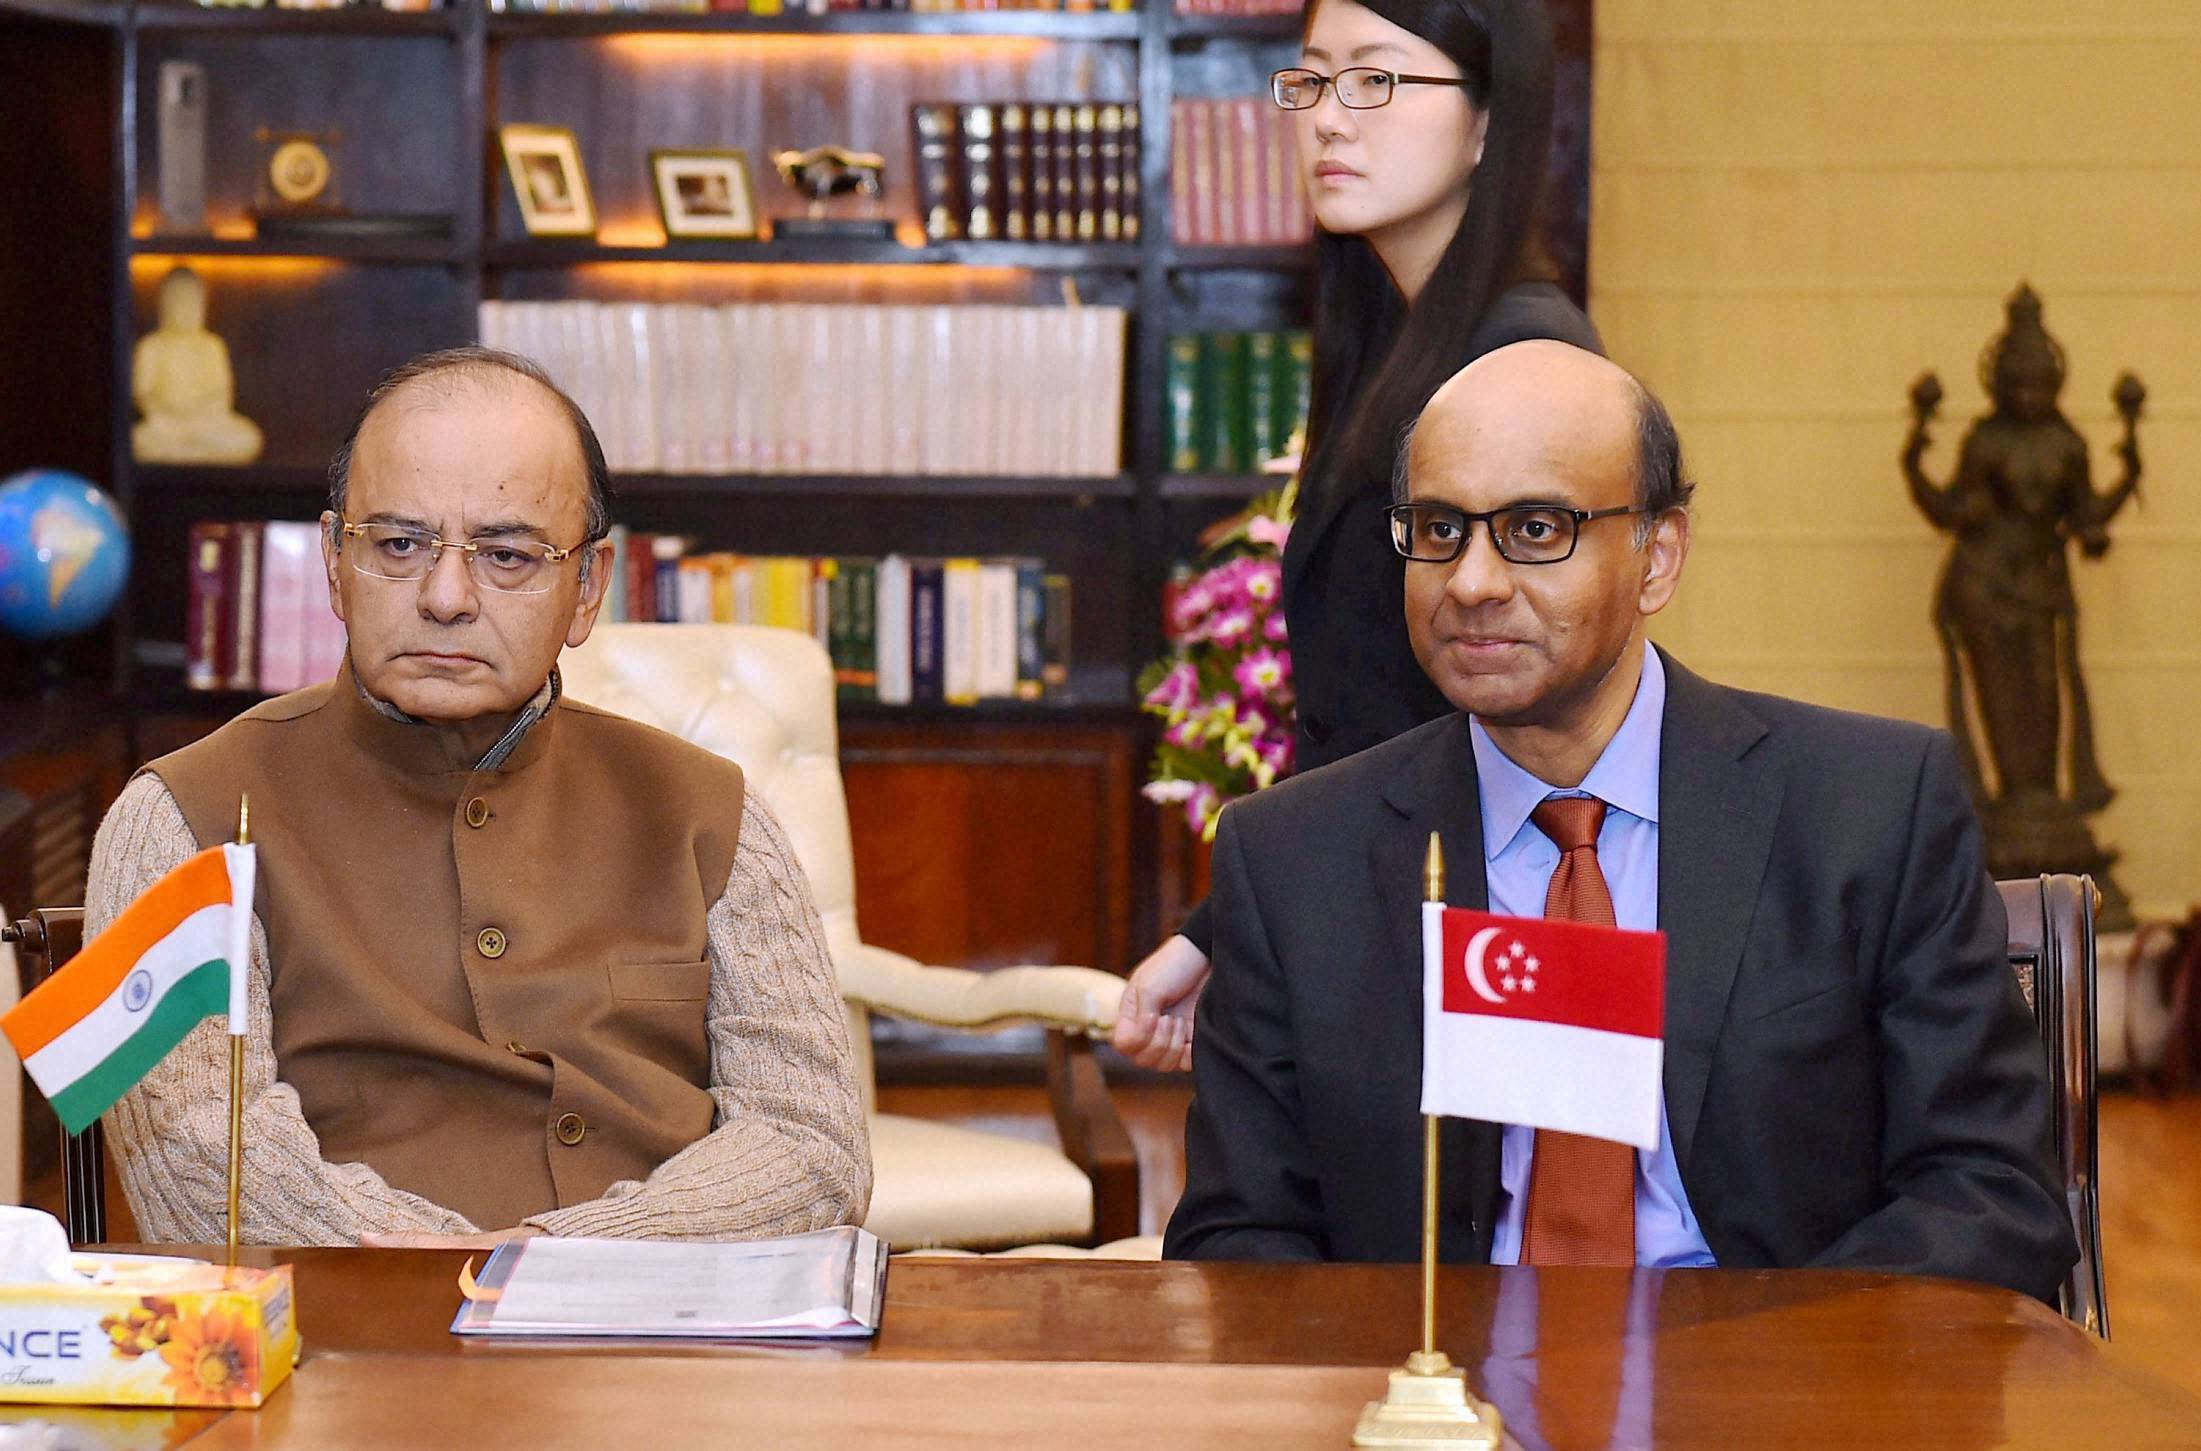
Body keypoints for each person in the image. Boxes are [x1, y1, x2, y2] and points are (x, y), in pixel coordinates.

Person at [1164, 341, 2077, 1303]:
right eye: (1438, 528)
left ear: (1658, 554)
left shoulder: (1870, 809)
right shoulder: (1292, 856)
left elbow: (1988, 1196)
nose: (1470, 581)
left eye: (1533, 527)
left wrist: (1744, 1373)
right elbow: (1239, 1235)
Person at [86, 347, 871, 1248]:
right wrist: (463, 1279)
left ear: (587, 588)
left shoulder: (711, 816)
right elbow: (197, 1165)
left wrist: (570, 1268)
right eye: (398, 544)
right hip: (347, 1353)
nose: (446, 596)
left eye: (506, 554)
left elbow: (812, 1145)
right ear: (334, 564)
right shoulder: (181, 819)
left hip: (671, 1347)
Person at [1116, 0, 1600, 1070]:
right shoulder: (1390, 341)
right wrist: (1217, 930)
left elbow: (1523, 713)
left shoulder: (1515, 364)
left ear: (1486, 122)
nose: (1329, 120)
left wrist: (1229, 922)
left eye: (1376, 80)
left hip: (1478, 930)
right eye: (1310, 80)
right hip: (1392, 901)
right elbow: (1366, 724)